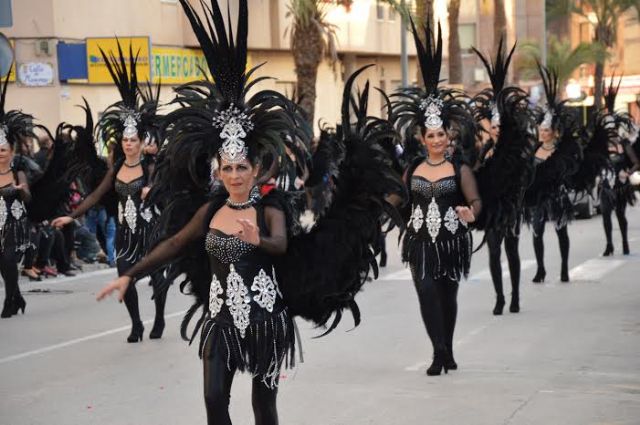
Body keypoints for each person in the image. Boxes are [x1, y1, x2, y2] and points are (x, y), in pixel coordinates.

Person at [52, 42, 166, 342]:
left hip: (149, 232)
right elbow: (94, 196)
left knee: (157, 278)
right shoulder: (114, 171)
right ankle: (137, 324)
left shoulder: (151, 167)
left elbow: (164, 190)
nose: (129, 144)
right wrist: (70, 217)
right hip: (126, 236)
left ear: (141, 142)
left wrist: (152, 191)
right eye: (125, 140)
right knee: (124, 277)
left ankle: (160, 318)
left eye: (133, 140)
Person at [393, 20, 481, 376]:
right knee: (426, 292)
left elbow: (476, 203)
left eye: (441, 134)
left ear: (448, 135)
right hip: (420, 243)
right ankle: (438, 351)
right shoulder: (412, 168)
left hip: (450, 240)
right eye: (430, 135)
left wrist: (469, 212)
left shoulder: (459, 169)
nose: (436, 140)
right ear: (423, 138)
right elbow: (400, 198)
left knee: (448, 296)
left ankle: (447, 348)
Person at [471, 39, 535, 315]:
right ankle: (498, 297)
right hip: (491, 208)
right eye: (493, 125)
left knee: (512, 250)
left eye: (500, 125)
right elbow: (475, 176)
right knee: (494, 252)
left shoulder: (517, 152)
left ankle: (516, 296)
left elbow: (526, 176)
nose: (496, 129)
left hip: (511, 207)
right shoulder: (485, 148)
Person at [524, 65, 581, 283]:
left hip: (557, 196)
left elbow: (570, 170)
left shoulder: (559, 151)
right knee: (537, 232)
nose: (543, 133)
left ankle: (565, 269)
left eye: (546, 130)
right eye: (541, 130)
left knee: (561, 232)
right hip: (539, 199)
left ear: (553, 132)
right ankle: (541, 269)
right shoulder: (534, 150)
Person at [0, 75, 34, 318]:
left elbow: (28, 195)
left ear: (10, 150)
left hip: (14, 224)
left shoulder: (18, 169)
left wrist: (21, 191)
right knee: (2, 264)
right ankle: (17, 296)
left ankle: (9, 300)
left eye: (2, 150)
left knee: (9, 260)